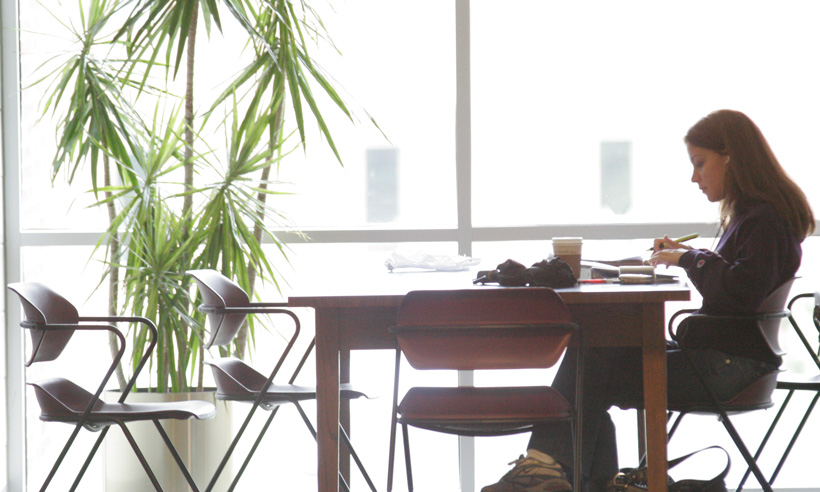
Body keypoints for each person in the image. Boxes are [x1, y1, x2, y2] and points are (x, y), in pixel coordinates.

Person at [481, 109, 815, 492]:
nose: (695, 177)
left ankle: (553, 471)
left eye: (700, 163)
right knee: (594, 353)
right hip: (725, 359)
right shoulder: (756, 217)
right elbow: (739, 282)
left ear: (732, 157)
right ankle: (571, 476)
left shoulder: (764, 219)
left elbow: (741, 290)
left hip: (728, 368)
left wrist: (689, 258)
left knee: (592, 361)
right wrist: (690, 256)